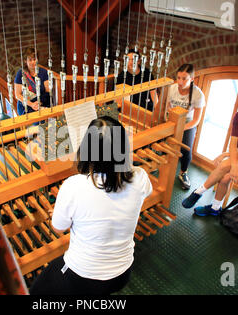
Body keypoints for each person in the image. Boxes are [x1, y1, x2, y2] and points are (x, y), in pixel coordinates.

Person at [29, 116, 152, 295]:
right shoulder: (140, 178)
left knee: (37, 291)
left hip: (83, 276)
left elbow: (58, 228)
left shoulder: (74, 186)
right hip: (122, 273)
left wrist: (59, 213)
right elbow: (132, 190)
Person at [165, 63, 205, 190]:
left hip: (188, 123)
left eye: (184, 79)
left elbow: (196, 120)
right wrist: (168, 121)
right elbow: (166, 106)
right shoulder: (172, 88)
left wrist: (181, 129)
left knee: (186, 149)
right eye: (179, 78)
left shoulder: (198, 95)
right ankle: (161, 166)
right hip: (172, 119)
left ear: (192, 79)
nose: (180, 82)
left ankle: (183, 173)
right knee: (163, 142)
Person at [14, 47, 51, 116]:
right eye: (30, 60)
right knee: (36, 122)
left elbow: (48, 91)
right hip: (26, 105)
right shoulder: (21, 73)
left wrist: (39, 103)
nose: (33, 62)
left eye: (34, 59)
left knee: (50, 118)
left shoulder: (44, 72)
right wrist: (31, 104)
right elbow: (17, 95)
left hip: (42, 102)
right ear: (25, 61)